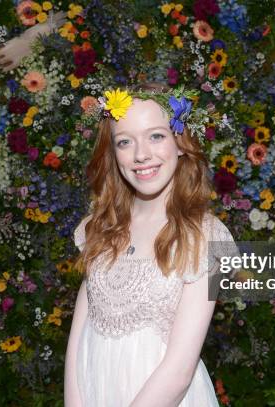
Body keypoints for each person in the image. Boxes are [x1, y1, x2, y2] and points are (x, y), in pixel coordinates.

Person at [64, 82, 236, 407]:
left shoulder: (210, 238)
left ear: (181, 143)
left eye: (156, 136)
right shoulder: (98, 227)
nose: (141, 154)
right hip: (95, 391)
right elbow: (77, 343)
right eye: (125, 142)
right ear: (113, 153)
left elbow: (180, 369)